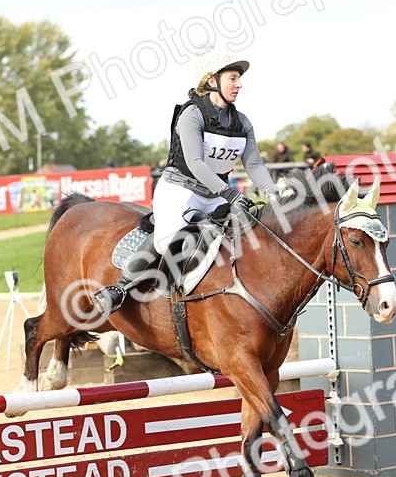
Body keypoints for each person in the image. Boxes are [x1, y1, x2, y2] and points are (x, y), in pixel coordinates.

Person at [92, 52, 280, 315]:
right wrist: (230, 194)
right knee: (169, 241)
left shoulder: (242, 122)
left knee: (243, 238)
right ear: (212, 80)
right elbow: (195, 162)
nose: (239, 84)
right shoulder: (192, 114)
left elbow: (254, 165)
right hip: (181, 189)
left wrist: (273, 194)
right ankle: (120, 288)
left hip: (216, 194)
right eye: (233, 78)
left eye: (239, 79)